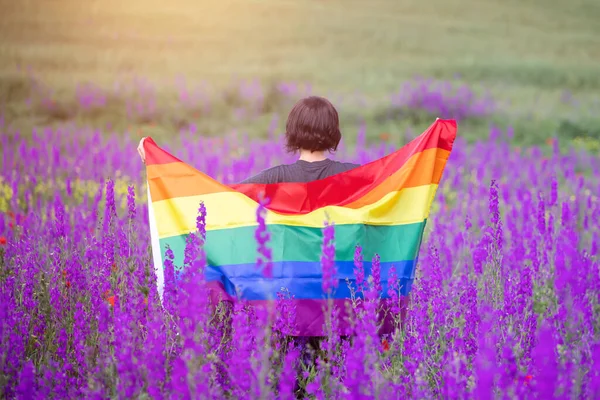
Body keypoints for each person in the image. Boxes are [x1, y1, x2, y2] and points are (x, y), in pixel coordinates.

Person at [137, 95, 358, 398]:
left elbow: (217, 203)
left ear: (293, 132)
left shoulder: (274, 180)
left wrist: (157, 166)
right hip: (338, 304)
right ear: (334, 132)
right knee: (337, 384)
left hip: (286, 307)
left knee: (287, 385)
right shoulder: (353, 179)